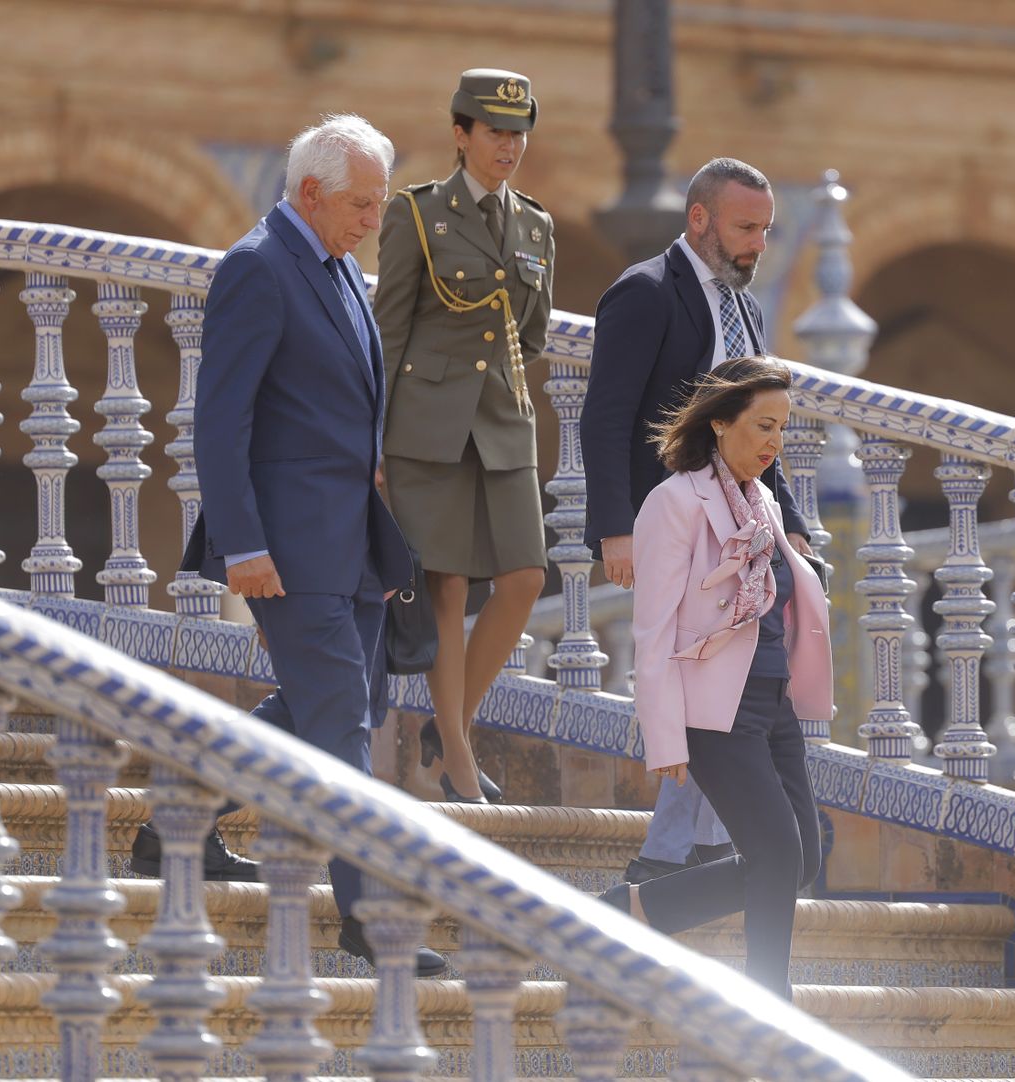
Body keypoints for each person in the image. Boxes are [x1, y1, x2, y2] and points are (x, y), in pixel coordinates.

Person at [167, 113, 444, 977]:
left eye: (382, 203)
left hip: (349, 544)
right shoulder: (256, 268)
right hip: (285, 551)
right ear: (311, 192)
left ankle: (177, 819)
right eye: (362, 203)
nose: (374, 219)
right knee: (341, 725)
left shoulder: (338, 271)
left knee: (325, 710)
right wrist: (241, 542)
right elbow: (220, 420)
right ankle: (370, 918)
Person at [582, 157, 813, 883]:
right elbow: (605, 415)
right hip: (672, 524)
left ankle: (678, 853)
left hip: (739, 532)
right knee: (704, 688)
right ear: (699, 219)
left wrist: (791, 520)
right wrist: (614, 527)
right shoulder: (645, 293)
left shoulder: (746, 309)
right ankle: (674, 854)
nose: (759, 245)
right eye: (746, 227)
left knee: (726, 690)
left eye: (767, 230)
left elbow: (752, 430)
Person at [599, 357, 831, 1001]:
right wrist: (665, 737)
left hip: (772, 704)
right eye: (762, 425)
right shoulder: (673, 503)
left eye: (782, 428)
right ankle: (767, 1002)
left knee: (803, 859)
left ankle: (633, 911)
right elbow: (653, 628)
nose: (773, 442)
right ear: (720, 422)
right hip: (713, 712)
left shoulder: (762, 501)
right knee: (777, 853)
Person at [374, 68, 554, 806]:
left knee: (524, 580)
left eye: (517, 134)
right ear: (460, 134)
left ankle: (449, 733)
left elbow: (532, 335)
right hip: (427, 425)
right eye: (493, 132)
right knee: (445, 588)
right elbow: (389, 330)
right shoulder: (416, 214)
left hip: (504, 422)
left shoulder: (537, 225)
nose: (508, 146)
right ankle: (455, 752)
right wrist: (373, 442)